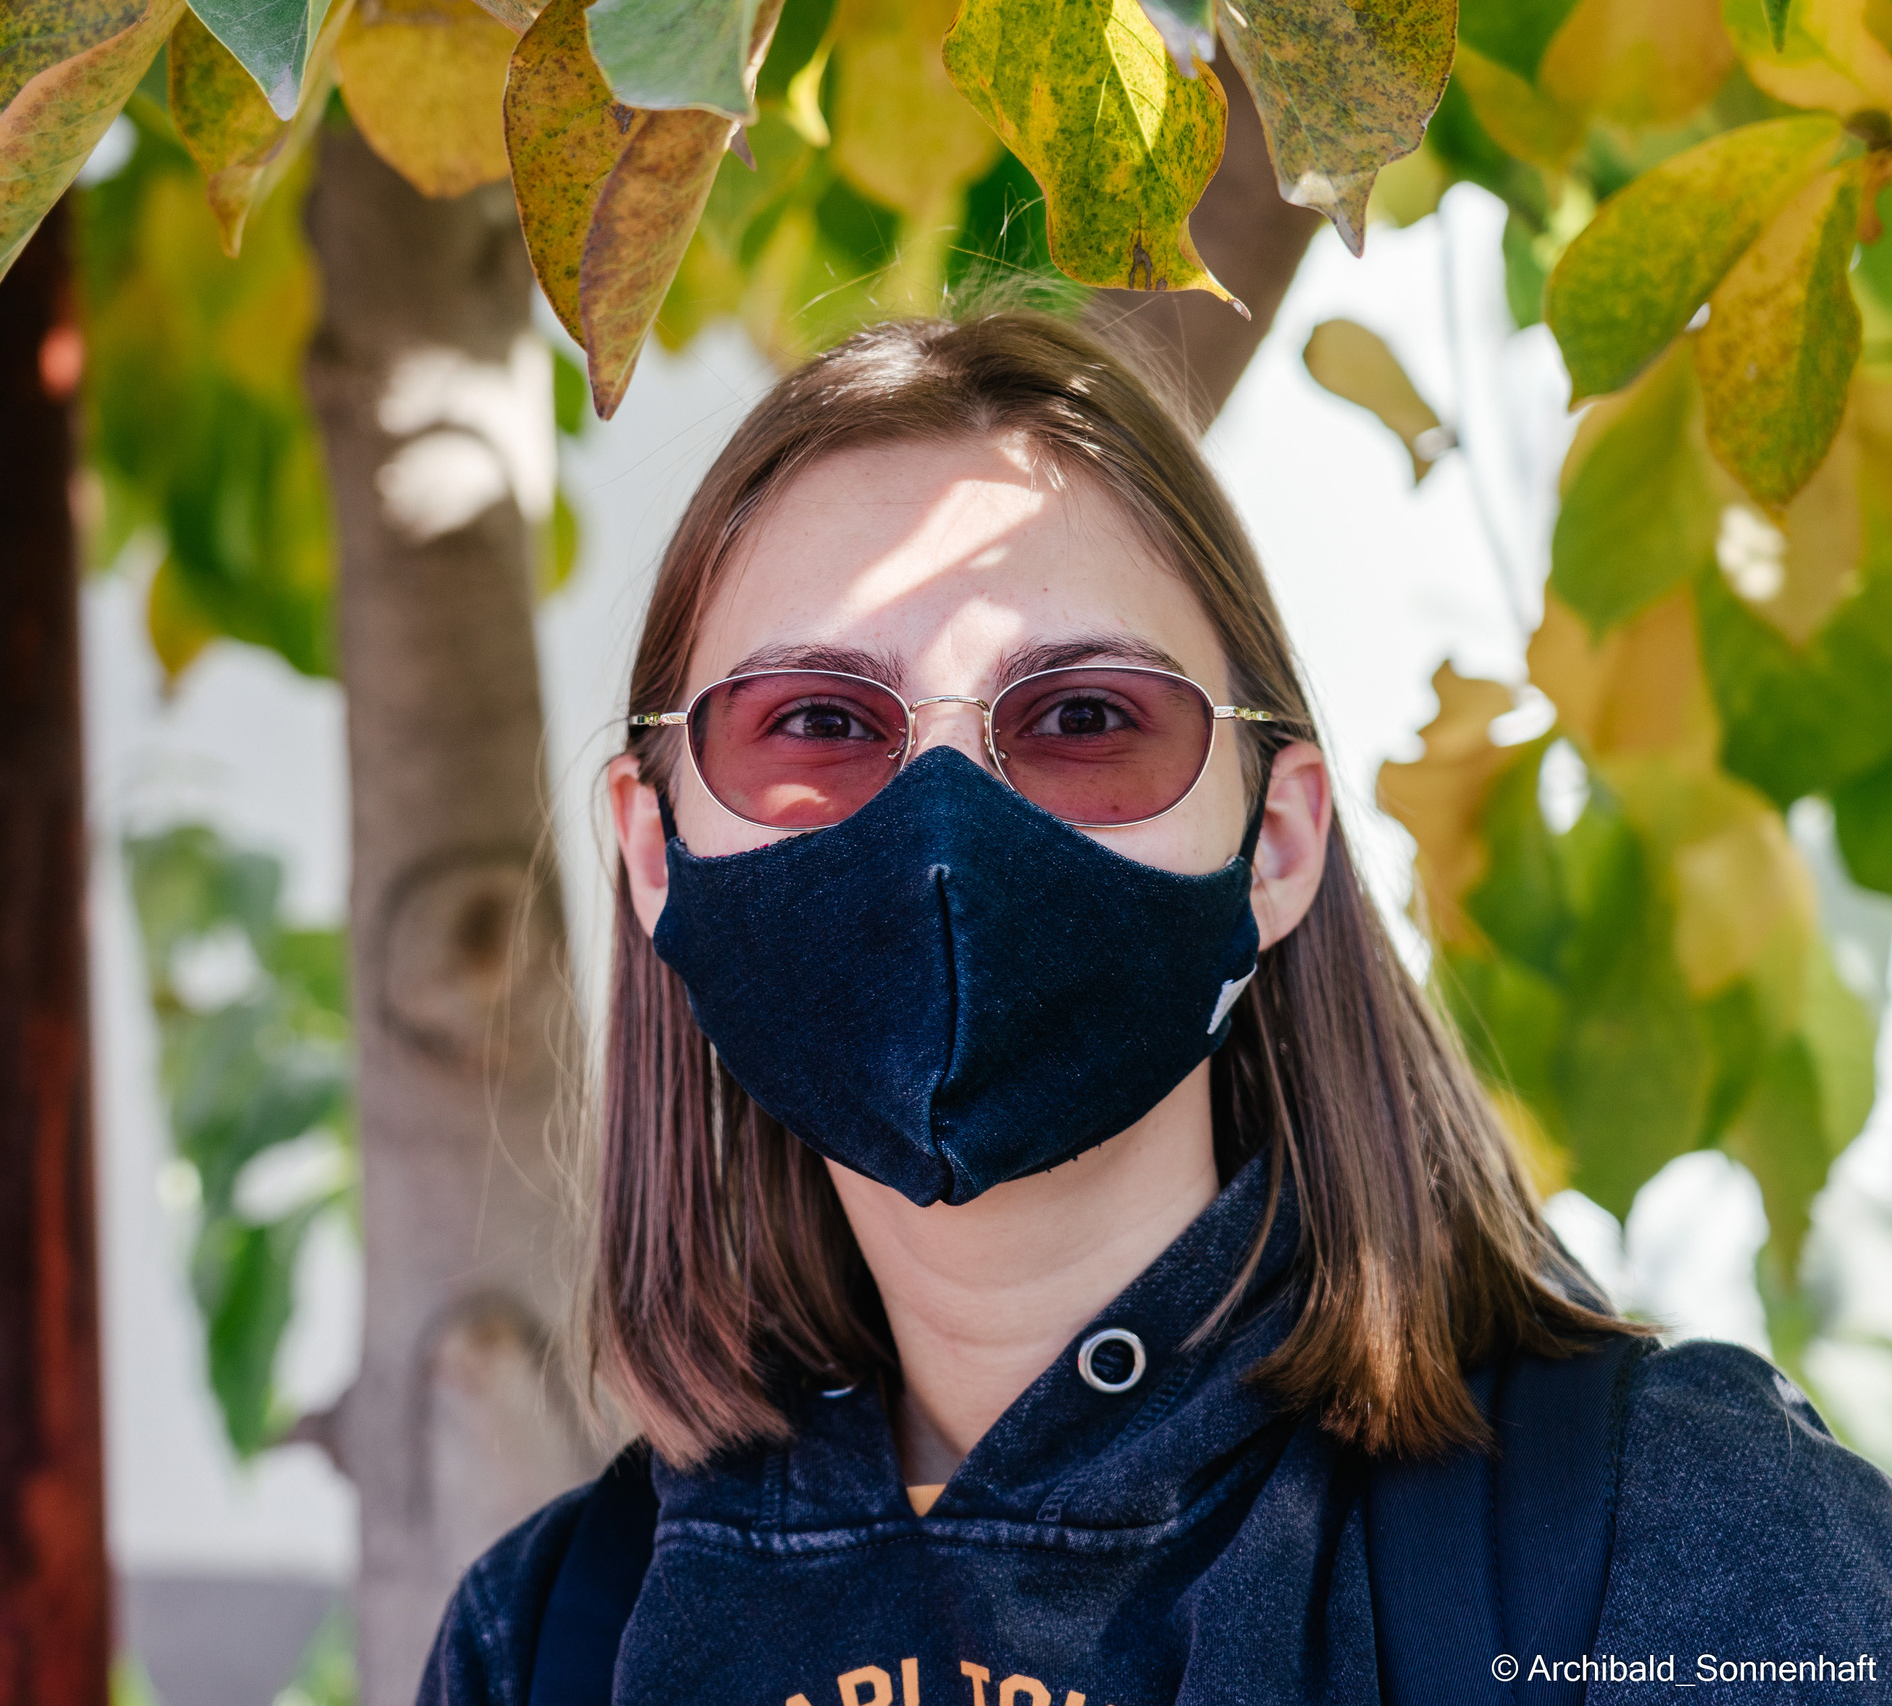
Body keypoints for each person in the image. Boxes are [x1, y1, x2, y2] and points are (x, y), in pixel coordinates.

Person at [416, 313, 1892, 1705]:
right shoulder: (545, 1637)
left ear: (1277, 841)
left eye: (1081, 719)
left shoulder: (1664, 1537)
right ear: (654, 849)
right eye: (815, 722)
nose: (944, 828)